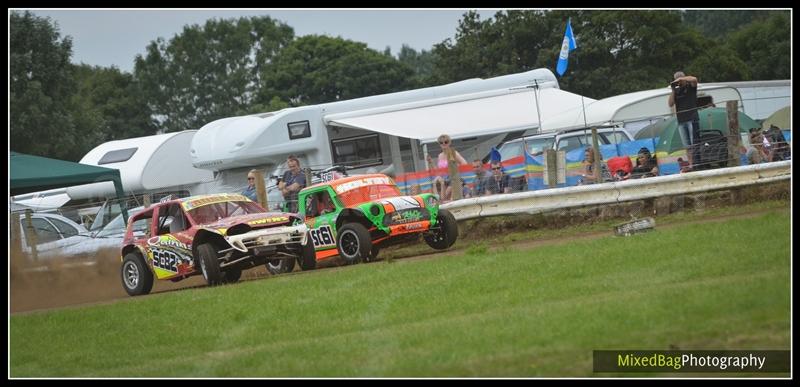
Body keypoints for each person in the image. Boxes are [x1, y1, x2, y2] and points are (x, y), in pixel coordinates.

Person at [668, 71, 700, 168]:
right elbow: (670, 104)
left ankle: (697, 163)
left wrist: (683, 79)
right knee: (687, 145)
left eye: (679, 79)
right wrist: (673, 90)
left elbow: (694, 79)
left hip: (692, 118)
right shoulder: (676, 91)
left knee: (694, 142)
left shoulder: (691, 87)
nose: (678, 82)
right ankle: (691, 164)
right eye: (676, 79)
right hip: (681, 120)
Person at [426, 134, 468, 201]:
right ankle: (437, 200)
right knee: (435, 183)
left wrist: (455, 168)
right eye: (441, 142)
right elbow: (439, 171)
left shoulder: (453, 153)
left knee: (445, 194)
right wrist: (431, 162)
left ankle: (440, 200)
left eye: (446, 142)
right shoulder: (440, 155)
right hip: (444, 180)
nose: (443, 144)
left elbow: (464, 163)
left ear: (449, 142)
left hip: (453, 178)